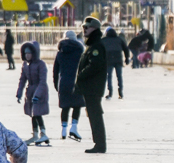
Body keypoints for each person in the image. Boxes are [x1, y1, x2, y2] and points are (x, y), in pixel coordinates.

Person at [76, 17, 108, 153]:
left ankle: (100, 144)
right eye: (83, 28)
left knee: (95, 116)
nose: (84, 30)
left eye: (87, 28)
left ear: (95, 29)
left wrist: (81, 75)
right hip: (89, 88)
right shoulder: (91, 45)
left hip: (93, 88)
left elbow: (95, 65)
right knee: (93, 115)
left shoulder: (96, 46)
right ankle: (99, 143)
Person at [15, 41, 50, 146]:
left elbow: (42, 81)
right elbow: (22, 79)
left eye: (29, 53)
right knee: (32, 114)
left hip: (40, 91)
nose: (27, 55)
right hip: (30, 91)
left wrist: (37, 95)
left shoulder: (41, 64)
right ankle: (35, 134)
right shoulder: (25, 65)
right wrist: (19, 93)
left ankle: (43, 133)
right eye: (25, 53)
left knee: (37, 113)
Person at [52, 30, 85, 141]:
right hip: (77, 82)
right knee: (77, 105)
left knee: (65, 107)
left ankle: (63, 130)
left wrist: (56, 85)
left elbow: (55, 71)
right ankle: (74, 127)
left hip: (64, 82)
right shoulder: (80, 51)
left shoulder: (60, 53)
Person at [102, 26, 131, 99]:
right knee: (119, 76)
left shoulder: (103, 40)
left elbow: (99, 50)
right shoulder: (119, 39)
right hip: (118, 60)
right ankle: (120, 92)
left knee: (109, 77)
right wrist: (127, 58)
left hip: (108, 61)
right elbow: (126, 49)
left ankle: (110, 93)